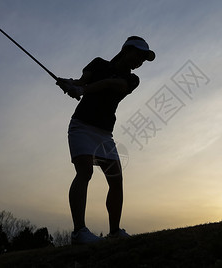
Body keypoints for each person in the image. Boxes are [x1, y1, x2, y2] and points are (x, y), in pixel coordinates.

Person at [56, 36, 155, 244]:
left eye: (143, 59)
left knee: (116, 180)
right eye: (138, 55)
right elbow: (82, 82)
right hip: (82, 126)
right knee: (85, 172)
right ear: (126, 50)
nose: (140, 62)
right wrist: (70, 84)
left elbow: (110, 84)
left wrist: (81, 90)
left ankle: (114, 231)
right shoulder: (98, 63)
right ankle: (79, 232)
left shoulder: (132, 80)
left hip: (104, 134)